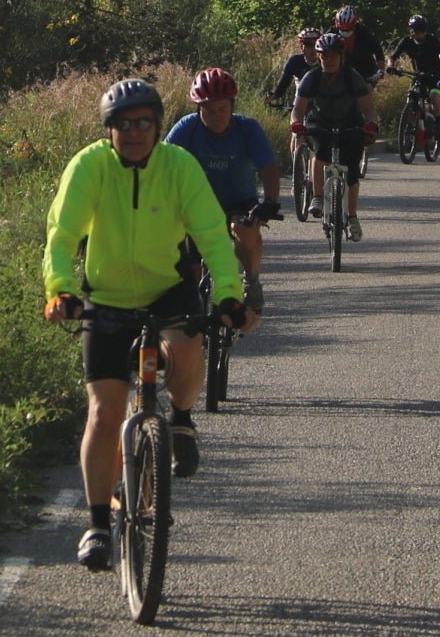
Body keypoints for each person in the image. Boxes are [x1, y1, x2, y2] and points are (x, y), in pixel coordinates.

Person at [45, 79, 246, 571]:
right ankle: (96, 524)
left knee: (188, 348)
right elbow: (61, 234)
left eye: (143, 123)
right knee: (104, 413)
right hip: (107, 299)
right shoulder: (89, 166)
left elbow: (213, 236)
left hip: (166, 290)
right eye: (122, 124)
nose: (133, 132)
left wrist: (229, 293)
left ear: (157, 126)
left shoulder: (179, 166)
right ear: (108, 129)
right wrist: (61, 289)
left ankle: (179, 420)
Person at [165, 68, 281, 323]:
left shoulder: (247, 128)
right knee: (190, 269)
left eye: (222, 110)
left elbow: (268, 168)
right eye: (209, 111)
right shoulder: (186, 129)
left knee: (247, 228)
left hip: (240, 201)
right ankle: (192, 314)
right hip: (195, 205)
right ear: (198, 109)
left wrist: (270, 202)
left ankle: (251, 279)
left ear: (232, 107)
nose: (216, 117)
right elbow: (163, 167)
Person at [289, 33, 378, 233]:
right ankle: (318, 197)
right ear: (319, 57)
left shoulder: (352, 77)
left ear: (341, 56)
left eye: (332, 56)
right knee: (320, 152)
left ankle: (353, 217)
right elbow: (298, 109)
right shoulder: (311, 77)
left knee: (352, 171)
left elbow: (369, 109)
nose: (328, 60)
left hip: (350, 123)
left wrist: (371, 124)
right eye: (323, 56)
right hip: (320, 122)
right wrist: (296, 124)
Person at [265, 28, 323, 109]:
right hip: (301, 102)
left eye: (316, 45)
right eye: (309, 45)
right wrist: (273, 95)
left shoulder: (326, 61)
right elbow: (284, 83)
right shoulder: (294, 62)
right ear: (301, 47)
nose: (313, 49)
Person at [331, 5, 387, 78]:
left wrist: (380, 70)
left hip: (366, 72)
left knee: (366, 87)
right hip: (342, 74)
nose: (345, 32)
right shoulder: (331, 34)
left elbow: (378, 50)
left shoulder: (363, 32)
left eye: (348, 29)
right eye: (342, 29)